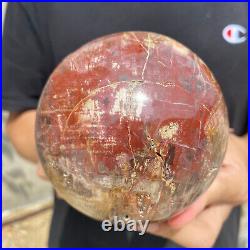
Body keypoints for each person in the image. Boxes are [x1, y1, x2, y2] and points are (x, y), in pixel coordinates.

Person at [3, 3, 247, 248]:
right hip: (79, 232)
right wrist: (66, 148)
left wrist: (240, 175)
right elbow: (19, 116)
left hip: (206, 223)